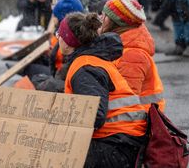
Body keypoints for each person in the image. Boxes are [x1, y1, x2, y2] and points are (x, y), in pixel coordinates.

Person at [56, 12, 147, 167]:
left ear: (67, 41)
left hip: (119, 145)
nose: (57, 37)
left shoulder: (84, 68)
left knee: (57, 154)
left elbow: (95, 115)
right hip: (126, 139)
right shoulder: (91, 60)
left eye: (59, 34)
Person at [99, 0, 165, 111]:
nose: (100, 18)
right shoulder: (120, 45)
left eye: (104, 15)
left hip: (135, 122)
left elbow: (126, 102)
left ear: (115, 22)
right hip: (130, 117)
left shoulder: (132, 55)